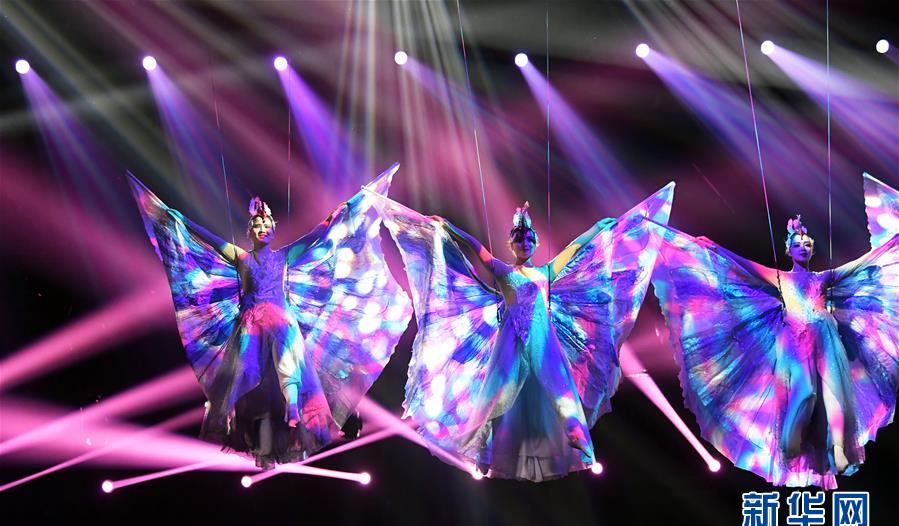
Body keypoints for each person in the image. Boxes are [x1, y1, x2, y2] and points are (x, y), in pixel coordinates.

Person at [368, 184, 674, 481]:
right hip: (510, 342)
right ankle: (481, 448)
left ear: (535, 243)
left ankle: (578, 437)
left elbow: (574, 249)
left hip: (543, 340)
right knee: (496, 395)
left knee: (560, 389)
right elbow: (476, 247)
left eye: (529, 238)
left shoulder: (546, 273)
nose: (524, 242)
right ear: (511, 245)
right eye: (519, 238)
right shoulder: (504, 271)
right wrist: (448, 227)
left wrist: (596, 228)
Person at [131, 164, 411, 468]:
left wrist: (346, 209)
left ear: (274, 229)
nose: (263, 227)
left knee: (288, 362)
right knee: (246, 370)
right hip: (250, 322)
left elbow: (319, 234)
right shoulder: (241, 257)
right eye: (258, 224)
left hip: (281, 318)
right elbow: (208, 239)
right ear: (249, 231)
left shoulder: (284, 256)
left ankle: (292, 408)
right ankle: (227, 414)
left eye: (267, 224)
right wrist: (179, 220)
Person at [651, 175, 899, 488]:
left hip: (826, 336)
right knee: (805, 392)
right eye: (798, 244)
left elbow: (861, 264)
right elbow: (741, 264)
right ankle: (789, 441)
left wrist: (891, 244)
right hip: (794, 338)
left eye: (807, 244)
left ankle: (838, 448)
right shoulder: (780, 277)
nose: (803, 247)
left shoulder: (823, 278)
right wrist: (711, 247)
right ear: (789, 250)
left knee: (835, 392)